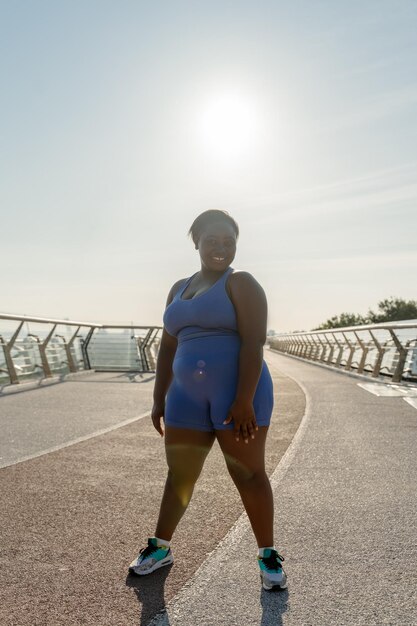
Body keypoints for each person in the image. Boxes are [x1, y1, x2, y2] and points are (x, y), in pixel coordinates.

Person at [128, 209, 287, 591]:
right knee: (180, 475)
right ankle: (160, 547)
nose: (220, 248)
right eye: (212, 240)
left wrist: (244, 399)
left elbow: (254, 343)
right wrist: (158, 397)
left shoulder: (242, 283)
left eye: (228, 241)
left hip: (238, 397)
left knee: (248, 474)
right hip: (184, 398)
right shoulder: (178, 288)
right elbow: (168, 347)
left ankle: (268, 554)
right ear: (195, 241)